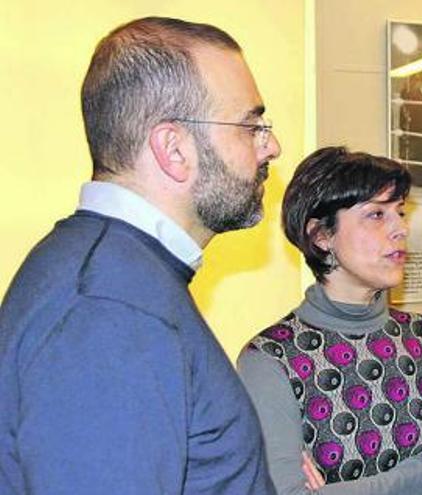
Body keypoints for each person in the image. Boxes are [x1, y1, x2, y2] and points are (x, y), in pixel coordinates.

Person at [0, 17, 282, 494]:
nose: (271, 146)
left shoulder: (117, 279)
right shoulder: (109, 312)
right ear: (174, 149)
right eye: (250, 126)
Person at [237, 147, 422, 495]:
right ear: (321, 236)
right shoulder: (270, 358)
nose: (401, 228)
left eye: (399, 212)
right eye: (376, 215)